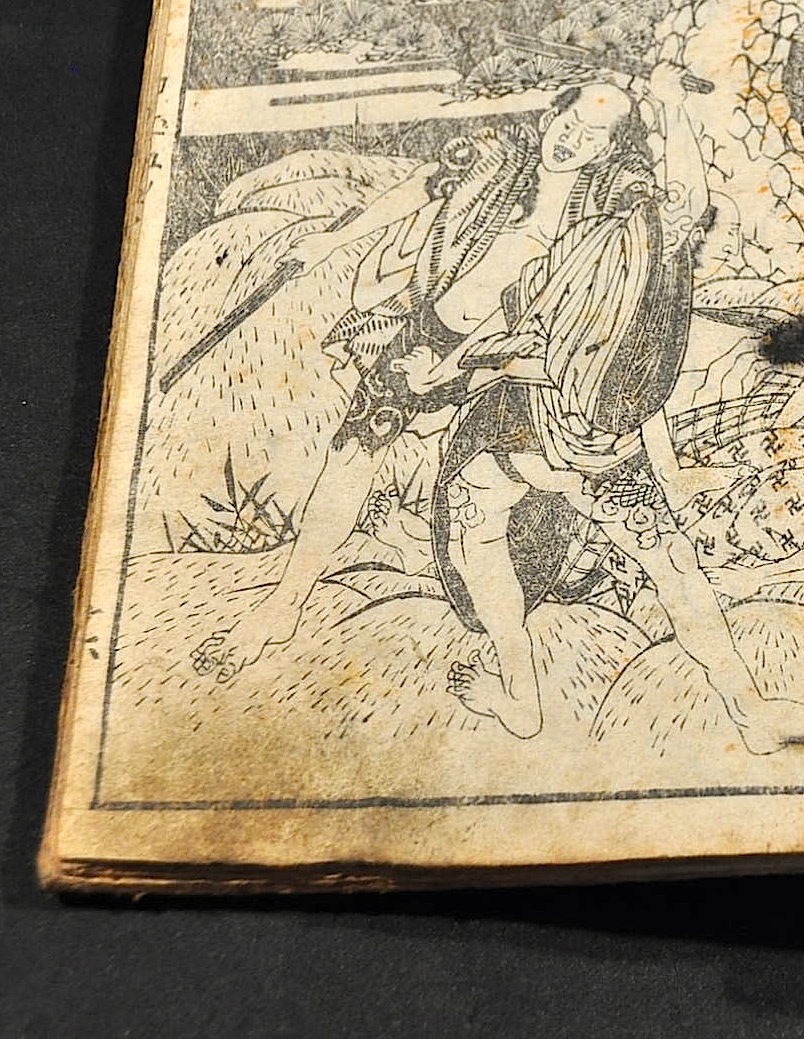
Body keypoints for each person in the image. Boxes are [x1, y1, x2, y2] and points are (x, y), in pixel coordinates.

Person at [416, 65, 804, 754]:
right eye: (571, 122)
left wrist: (673, 108)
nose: (574, 139)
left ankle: (736, 712)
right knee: (523, 541)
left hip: (564, 435)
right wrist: (452, 366)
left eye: (595, 135)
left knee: (641, 560)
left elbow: (682, 204)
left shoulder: (634, 237)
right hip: (549, 432)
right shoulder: (575, 233)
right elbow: (514, 328)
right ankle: (538, 694)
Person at [190, 118, 545, 682]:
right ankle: (287, 602)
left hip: (494, 356)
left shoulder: (545, 209)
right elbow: (418, 189)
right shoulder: (472, 175)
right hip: (425, 340)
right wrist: (332, 241)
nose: (452, 177)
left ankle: (507, 647)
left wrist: (462, 365)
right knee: (350, 460)